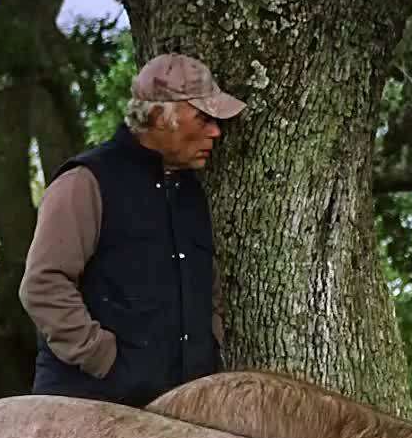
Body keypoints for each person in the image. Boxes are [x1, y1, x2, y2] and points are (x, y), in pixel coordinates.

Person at [19, 53, 246, 407]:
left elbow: (206, 285)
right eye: (203, 118)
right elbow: (43, 285)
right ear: (159, 117)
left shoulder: (190, 192)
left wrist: (208, 347)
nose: (215, 132)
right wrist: (104, 360)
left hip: (179, 416)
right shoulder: (85, 182)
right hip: (88, 410)